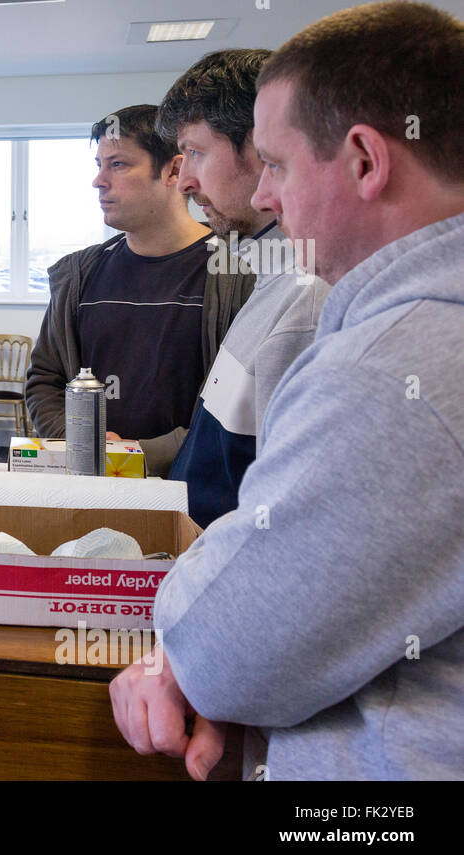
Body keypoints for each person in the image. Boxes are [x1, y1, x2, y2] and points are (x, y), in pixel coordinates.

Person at [110, 1, 464, 780]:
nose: (266, 197)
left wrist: (183, 651)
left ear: (367, 161)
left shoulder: (390, 369)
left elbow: (232, 645)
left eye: (277, 163)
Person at [24, 105, 255, 477]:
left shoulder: (235, 273)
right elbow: (45, 381)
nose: (98, 181)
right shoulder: (79, 275)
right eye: (98, 165)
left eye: (117, 164)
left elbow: (236, 402)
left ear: (174, 171)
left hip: (191, 494)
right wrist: (83, 441)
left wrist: (137, 456)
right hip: (92, 484)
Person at [158, 50, 331, 528]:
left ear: (261, 145)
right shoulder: (272, 281)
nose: (184, 183)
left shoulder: (308, 298)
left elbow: (284, 519)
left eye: (195, 151)